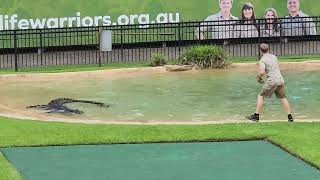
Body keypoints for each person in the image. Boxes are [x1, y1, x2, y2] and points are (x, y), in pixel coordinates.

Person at [246, 43, 294, 122]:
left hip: (272, 80)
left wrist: (258, 77)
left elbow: (262, 72)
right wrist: (260, 64)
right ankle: (290, 117)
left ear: (260, 50)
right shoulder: (274, 57)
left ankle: (256, 116)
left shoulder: (262, 60)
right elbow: (272, 66)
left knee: (260, 96)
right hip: (280, 79)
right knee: (283, 98)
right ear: (268, 49)